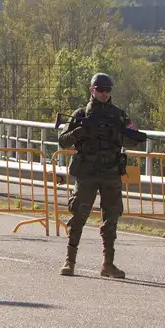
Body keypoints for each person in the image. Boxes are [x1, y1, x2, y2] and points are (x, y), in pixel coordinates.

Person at [57, 72, 143, 278]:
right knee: (79, 215)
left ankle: (108, 263)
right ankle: (70, 261)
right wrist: (82, 131)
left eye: (107, 90)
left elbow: (135, 138)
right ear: (92, 90)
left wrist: (115, 135)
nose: (104, 94)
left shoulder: (119, 115)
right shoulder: (80, 114)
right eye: (100, 90)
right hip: (87, 172)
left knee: (111, 217)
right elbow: (63, 141)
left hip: (111, 172)